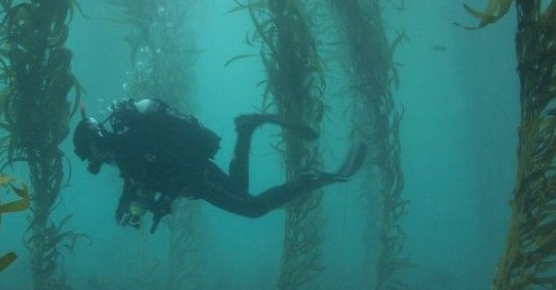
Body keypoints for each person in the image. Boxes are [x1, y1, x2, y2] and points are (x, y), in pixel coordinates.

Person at [73, 97, 366, 233]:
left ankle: (315, 179)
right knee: (242, 192)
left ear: (95, 145)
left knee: (252, 208)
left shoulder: (124, 150)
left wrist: (159, 201)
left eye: (91, 155)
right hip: (195, 173)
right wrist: (140, 206)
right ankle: (246, 130)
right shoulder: (125, 147)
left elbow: (154, 176)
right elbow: (142, 182)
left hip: (196, 176)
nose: (96, 162)